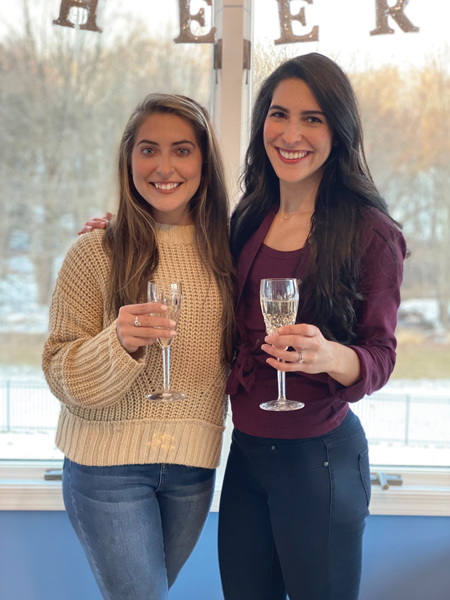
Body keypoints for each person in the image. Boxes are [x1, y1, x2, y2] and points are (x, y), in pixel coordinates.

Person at [83, 53, 407, 600]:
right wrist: (124, 225)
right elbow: (184, 248)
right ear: (262, 124)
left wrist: (331, 355)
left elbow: (381, 354)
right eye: (279, 115)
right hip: (247, 455)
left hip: (320, 462)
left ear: (338, 131)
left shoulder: (371, 233)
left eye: (312, 119)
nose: (291, 134)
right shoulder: (249, 217)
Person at [42, 93, 235, 600]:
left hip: (193, 466)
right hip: (106, 469)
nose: (164, 167)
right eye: (148, 150)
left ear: (205, 163)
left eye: (182, 150)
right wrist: (118, 345)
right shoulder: (94, 251)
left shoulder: (229, 252)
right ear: (129, 159)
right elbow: (57, 369)